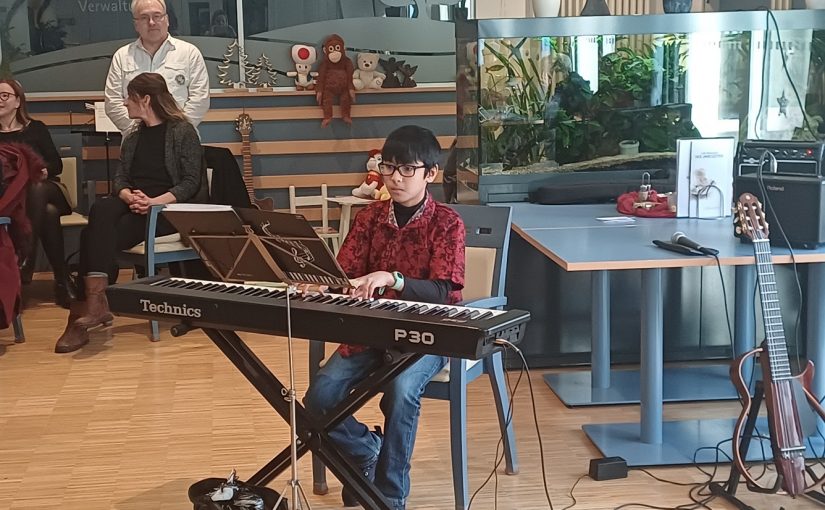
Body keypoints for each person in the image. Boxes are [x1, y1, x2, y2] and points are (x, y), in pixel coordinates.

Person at [303, 125, 465, 510]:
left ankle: (390, 496)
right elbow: (344, 274)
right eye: (388, 167)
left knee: (402, 390)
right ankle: (365, 451)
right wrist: (322, 284)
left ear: (431, 173)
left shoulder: (448, 223)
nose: (395, 177)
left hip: (427, 336)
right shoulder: (370, 217)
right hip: (370, 331)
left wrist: (393, 279)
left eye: (407, 169)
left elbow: (443, 291)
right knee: (318, 398)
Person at [55, 72, 206, 354]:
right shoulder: (133, 136)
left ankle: (86, 310)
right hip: (134, 204)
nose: (124, 103)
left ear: (145, 99)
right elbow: (121, 179)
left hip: (167, 210)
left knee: (91, 235)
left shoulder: (182, 131)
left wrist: (154, 202)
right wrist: (128, 195)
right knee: (101, 208)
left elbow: (190, 182)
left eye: (129, 97)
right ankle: (96, 303)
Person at [0, 79, 76, 307]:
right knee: (49, 213)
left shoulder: (36, 128)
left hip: (46, 188)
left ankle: (26, 252)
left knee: (36, 187)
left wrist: (43, 171)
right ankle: (62, 281)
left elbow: (56, 164)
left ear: (17, 101)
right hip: (12, 197)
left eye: (4, 95)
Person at [104, 0, 209, 135]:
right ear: (136, 24)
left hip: (181, 139)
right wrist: (140, 131)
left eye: (157, 16)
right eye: (144, 17)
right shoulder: (122, 56)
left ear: (167, 20)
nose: (151, 22)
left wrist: (175, 132)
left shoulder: (189, 53)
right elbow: (113, 103)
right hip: (136, 139)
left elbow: (200, 100)